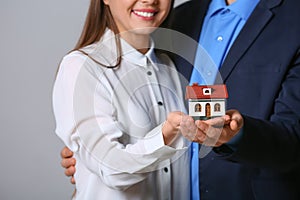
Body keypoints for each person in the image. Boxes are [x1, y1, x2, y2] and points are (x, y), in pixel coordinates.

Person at [61, 0, 300, 199]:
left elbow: (292, 138)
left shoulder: (294, 19)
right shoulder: (177, 19)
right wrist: (90, 153)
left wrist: (238, 136)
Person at [53, 0, 192, 199]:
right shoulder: (81, 67)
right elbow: (111, 169)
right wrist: (165, 135)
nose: (150, 0)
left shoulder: (169, 68)